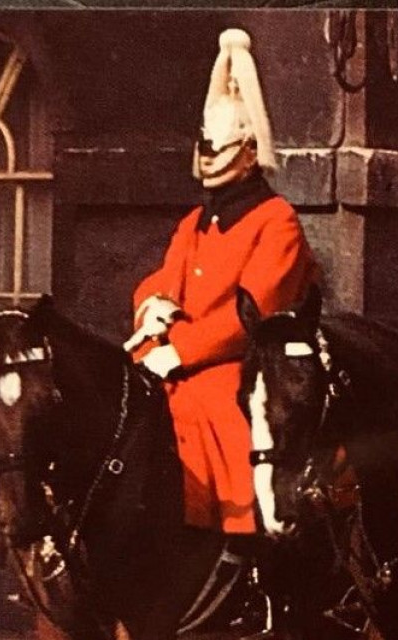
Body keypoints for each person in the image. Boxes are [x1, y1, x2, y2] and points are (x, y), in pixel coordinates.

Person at [129, 28, 319, 539]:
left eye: (221, 149)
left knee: (211, 405)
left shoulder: (276, 220)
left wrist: (183, 350)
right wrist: (152, 310)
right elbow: (163, 279)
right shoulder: (196, 220)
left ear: (249, 151)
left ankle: (237, 539)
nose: (209, 157)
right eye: (205, 148)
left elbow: (255, 311)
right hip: (179, 355)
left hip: (245, 363)